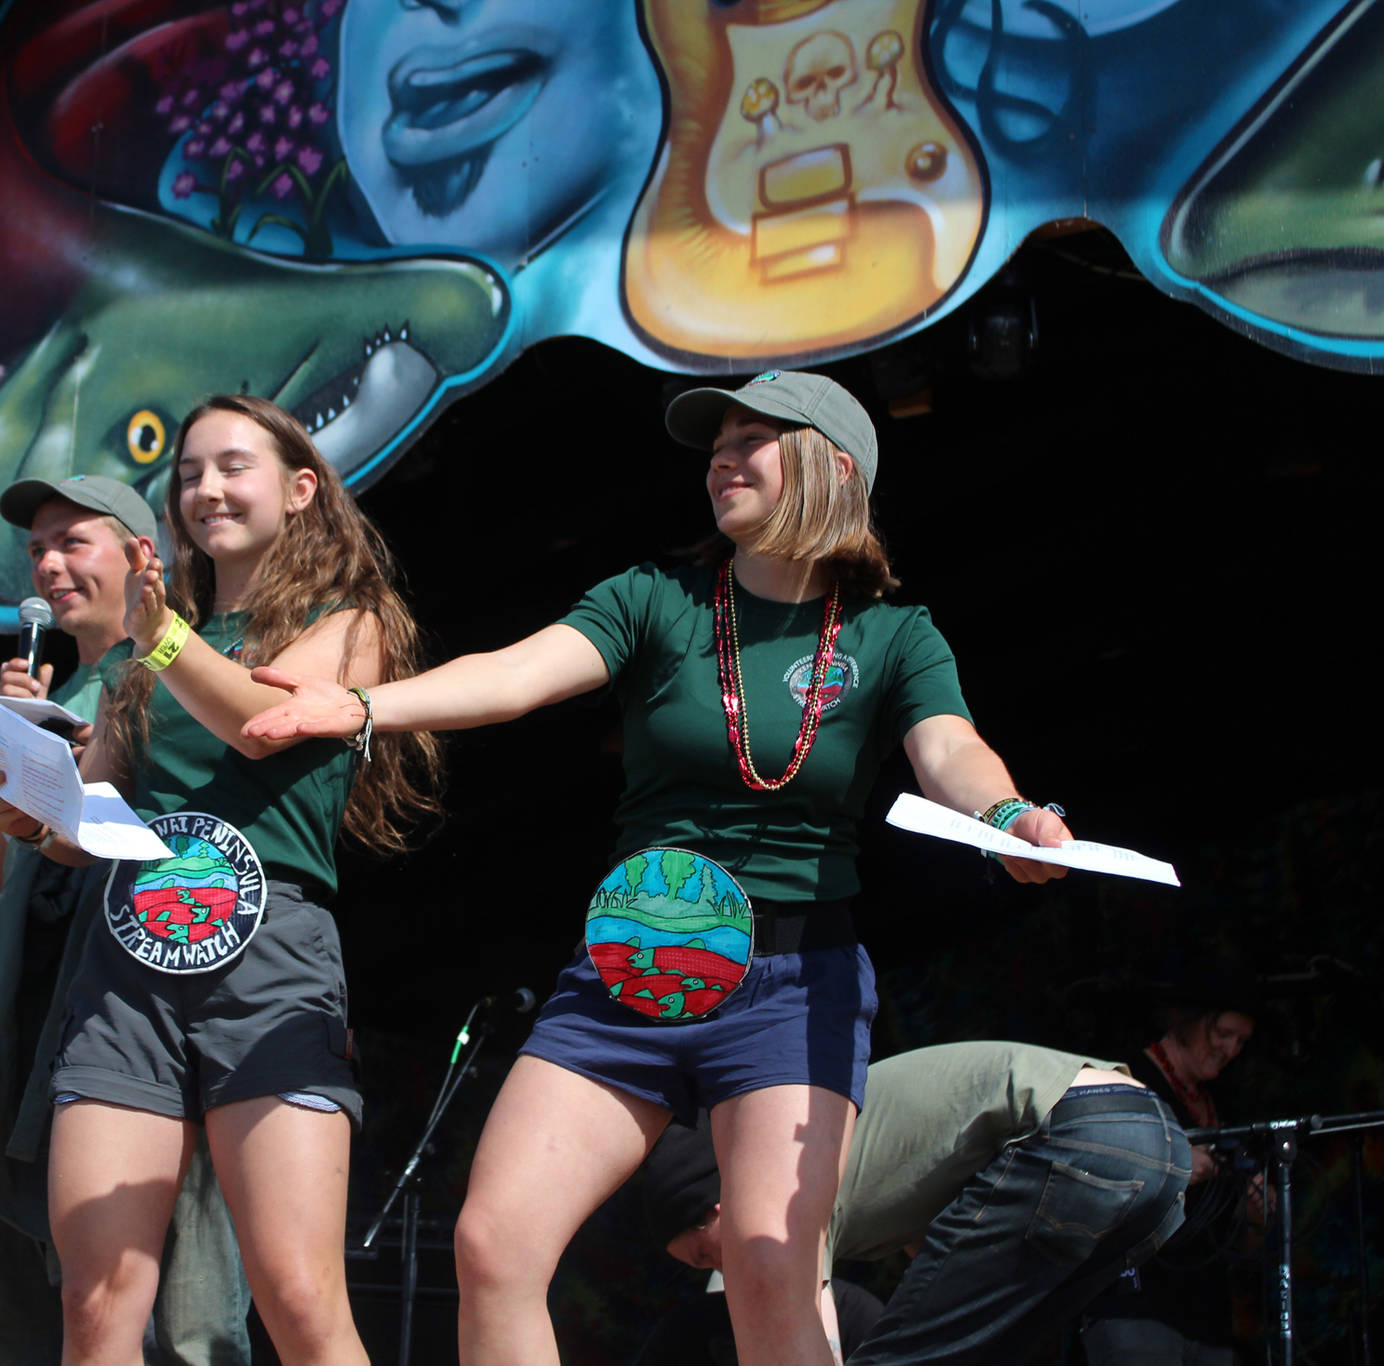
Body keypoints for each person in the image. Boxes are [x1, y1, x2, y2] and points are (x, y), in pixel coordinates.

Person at [244, 370, 1075, 1366]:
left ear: (831, 467)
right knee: (492, 1244)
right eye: (714, 443)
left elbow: (948, 749)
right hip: (628, 967)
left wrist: (1007, 815)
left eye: (750, 439)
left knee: (771, 1266)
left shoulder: (894, 635)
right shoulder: (654, 600)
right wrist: (369, 706)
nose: (720, 459)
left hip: (791, 983)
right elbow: (513, 674)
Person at [0, 393, 440, 1366]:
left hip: (268, 967)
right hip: (125, 975)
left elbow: (258, 723)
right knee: (97, 1305)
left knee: (300, 1303)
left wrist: (161, 635)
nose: (204, 488)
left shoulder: (346, 622)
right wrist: (31, 809)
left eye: (232, 465)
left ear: (300, 487)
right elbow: (83, 823)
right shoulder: (143, 655)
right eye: (188, 472)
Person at [0, 474, 250, 1365]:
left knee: (187, 1317)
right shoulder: (54, 691)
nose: (49, 563)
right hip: (34, 1026)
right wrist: (10, 759)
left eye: (73, 541)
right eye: (37, 548)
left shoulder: (191, 672)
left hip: (150, 1025)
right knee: (32, 1315)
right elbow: (1, 892)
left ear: (142, 555)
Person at [642, 1041, 1191, 1366]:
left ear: (718, 1208)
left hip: (1078, 1134)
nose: (716, 1271)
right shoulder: (839, 1144)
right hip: (1156, 1143)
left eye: (702, 1257)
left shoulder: (786, 1183)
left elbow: (803, 1336)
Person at [1082, 996, 1259, 1366]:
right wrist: (1173, 1163)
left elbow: (1239, 1239)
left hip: (1208, 1318)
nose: (1230, 1050)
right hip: (1136, 1306)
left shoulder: (1222, 1101)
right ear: (1187, 1020)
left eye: (1241, 1042)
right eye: (1223, 1034)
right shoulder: (1124, 1078)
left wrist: (1256, 1206)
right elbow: (1087, 1177)